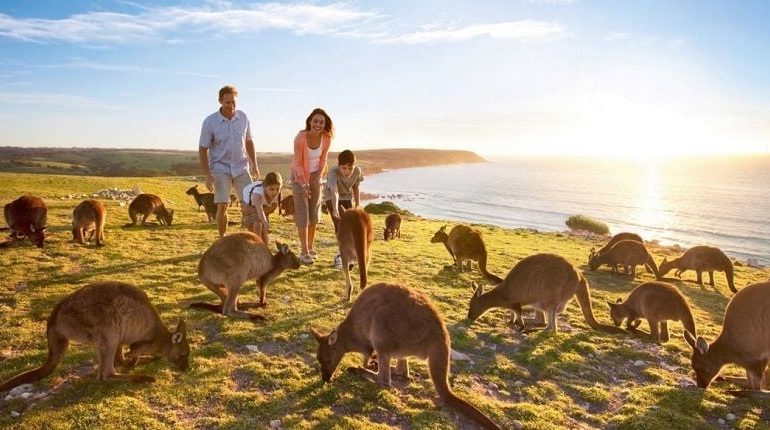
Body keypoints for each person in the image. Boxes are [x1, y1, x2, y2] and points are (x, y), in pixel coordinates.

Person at [198, 85, 259, 238]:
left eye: (233, 102)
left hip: (241, 167)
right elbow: (202, 149)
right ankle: (222, 238)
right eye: (227, 103)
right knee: (222, 205)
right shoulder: (210, 122)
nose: (231, 106)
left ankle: (251, 240)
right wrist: (208, 175)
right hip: (220, 168)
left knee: (249, 205)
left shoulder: (243, 117)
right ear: (220, 101)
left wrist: (254, 165)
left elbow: (249, 142)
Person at [291, 107, 333, 264]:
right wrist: (303, 183)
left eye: (321, 122)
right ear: (309, 121)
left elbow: (323, 160)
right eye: (315, 121)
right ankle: (304, 251)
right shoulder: (300, 138)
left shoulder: (326, 138)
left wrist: (317, 178)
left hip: (315, 175)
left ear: (325, 124)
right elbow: (297, 163)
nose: (318, 124)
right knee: (303, 213)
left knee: (314, 212)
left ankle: (310, 245)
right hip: (298, 176)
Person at [322, 150, 364, 269]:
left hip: (346, 197)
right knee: (340, 224)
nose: (347, 171)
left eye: (350, 168)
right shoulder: (333, 172)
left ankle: (349, 255)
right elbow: (334, 191)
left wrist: (358, 205)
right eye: (344, 168)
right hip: (331, 197)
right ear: (339, 165)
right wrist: (335, 209)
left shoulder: (357, 171)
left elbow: (356, 187)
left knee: (351, 226)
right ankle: (340, 257)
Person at [242, 172, 282, 244]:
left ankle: (265, 249)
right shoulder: (257, 193)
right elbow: (259, 210)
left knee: (264, 231)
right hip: (249, 205)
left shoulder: (278, 194)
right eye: (272, 189)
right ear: (265, 186)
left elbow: (272, 208)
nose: (275, 192)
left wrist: (265, 223)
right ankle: (257, 247)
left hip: (262, 207)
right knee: (258, 224)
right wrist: (265, 223)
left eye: (277, 189)